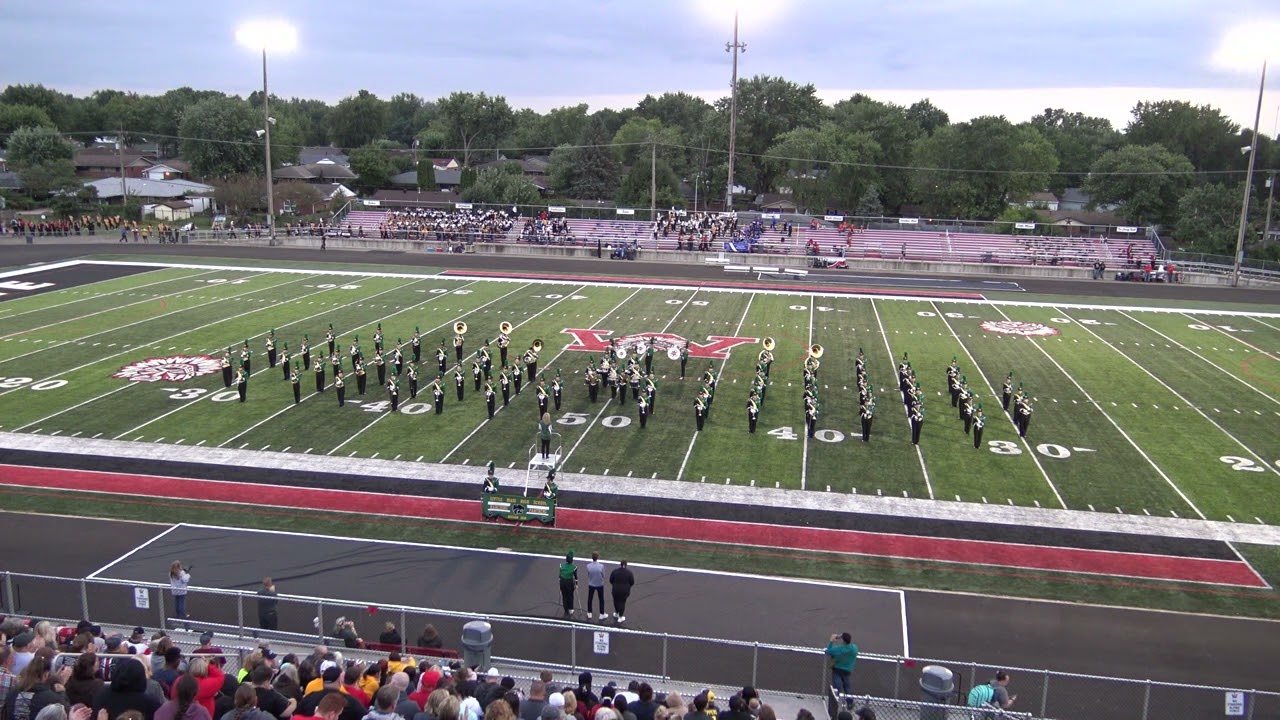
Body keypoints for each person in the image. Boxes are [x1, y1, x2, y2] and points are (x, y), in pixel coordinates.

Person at [825, 633, 858, 706]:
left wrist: (831, 641)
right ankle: (849, 703)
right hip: (847, 671)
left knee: (837, 687)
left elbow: (828, 651)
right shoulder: (854, 648)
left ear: (843, 640)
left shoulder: (838, 649)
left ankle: (836, 702)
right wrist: (841, 636)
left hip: (837, 670)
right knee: (847, 688)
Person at [585, 554, 606, 621]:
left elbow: (588, 574)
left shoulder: (588, 566)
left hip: (591, 584)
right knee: (601, 599)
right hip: (600, 584)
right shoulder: (601, 566)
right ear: (598, 557)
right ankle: (601, 614)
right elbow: (603, 575)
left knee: (590, 599)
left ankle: (589, 613)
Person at [557, 553, 578, 618]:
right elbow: (576, 577)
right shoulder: (574, 567)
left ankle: (566, 610)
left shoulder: (561, 566)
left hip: (562, 582)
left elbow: (560, 575)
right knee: (570, 596)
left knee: (564, 596)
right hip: (569, 583)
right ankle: (570, 609)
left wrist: (560, 582)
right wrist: (576, 584)